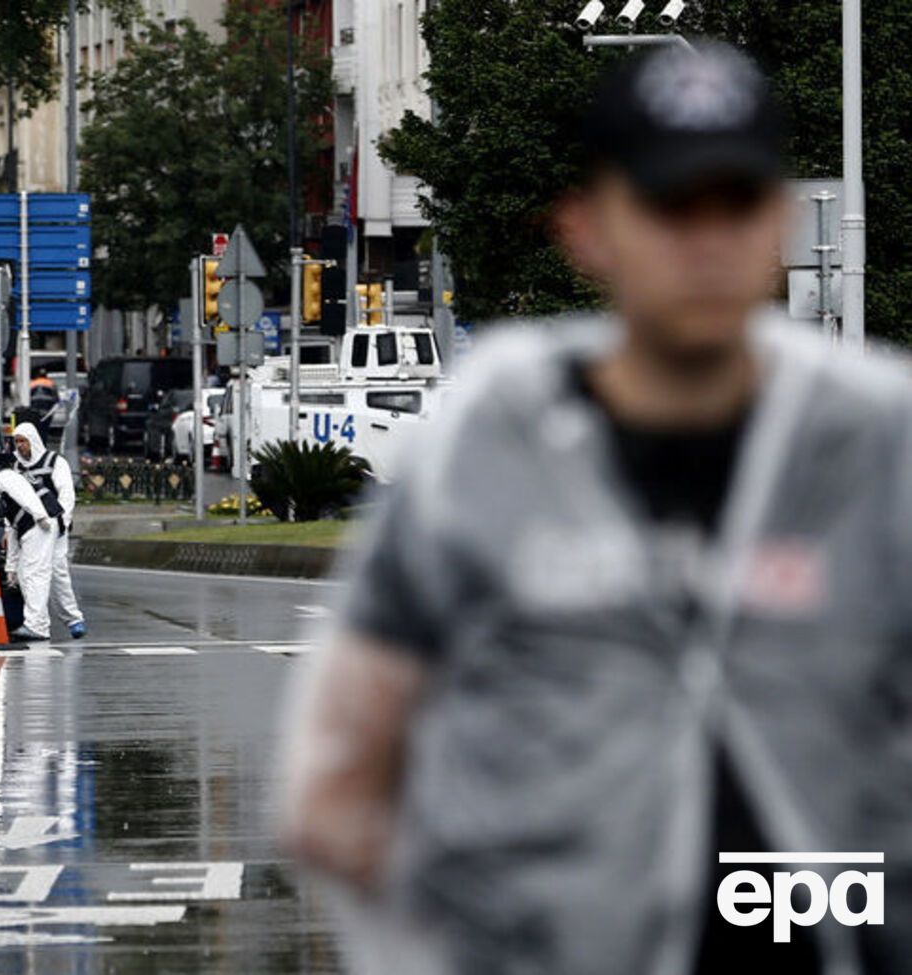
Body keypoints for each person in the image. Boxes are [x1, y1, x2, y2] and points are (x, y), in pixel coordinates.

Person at [282, 43, 909, 975]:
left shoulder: (876, 442)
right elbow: (335, 789)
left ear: (779, 219)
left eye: (734, 203)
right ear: (587, 227)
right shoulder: (486, 448)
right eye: (667, 205)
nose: (704, 240)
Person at [12, 422, 87, 640]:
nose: (20, 446)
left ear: (32, 441)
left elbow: (66, 494)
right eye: (16, 441)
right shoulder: (16, 468)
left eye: (23, 441)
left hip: (53, 526)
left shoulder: (54, 462)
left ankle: (71, 618)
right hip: (30, 529)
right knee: (34, 574)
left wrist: (62, 522)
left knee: (56, 572)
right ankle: (40, 622)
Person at [0, 462, 56, 642]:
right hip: (32, 527)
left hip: (40, 525)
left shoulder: (5, 477)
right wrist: (11, 568)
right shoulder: (3, 492)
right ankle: (37, 622)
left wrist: (40, 515)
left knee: (34, 575)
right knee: (26, 575)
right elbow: (12, 531)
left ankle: (37, 627)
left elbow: (26, 496)